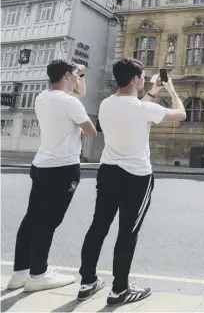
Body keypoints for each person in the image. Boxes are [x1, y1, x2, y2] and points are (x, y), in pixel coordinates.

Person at [77, 58, 186, 305]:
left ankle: (87, 283)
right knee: (127, 233)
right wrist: (170, 90)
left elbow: (135, 109)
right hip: (136, 177)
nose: (145, 80)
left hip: (108, 172)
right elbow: (181, 114)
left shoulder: (106, 104)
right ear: (136, 79)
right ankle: (119, 290)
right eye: (143, 77)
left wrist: (151, 92)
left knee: (98, 228)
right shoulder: (142, 109)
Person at [7, 60, 97, 292]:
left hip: (41, 164)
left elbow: (80, 94)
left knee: (31, 219)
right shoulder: (69, 102)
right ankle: (39, 274)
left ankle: (20, 274)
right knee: (48, 222)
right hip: (63, 167)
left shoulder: (42, 97)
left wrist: (80, 75)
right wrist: (76, 125)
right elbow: (91, 132)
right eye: (75, 75)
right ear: (67, 76)